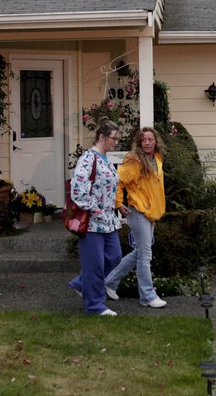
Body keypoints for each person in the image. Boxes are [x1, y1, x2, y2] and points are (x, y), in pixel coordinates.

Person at [104, 127, 167, 308]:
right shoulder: (135, 160)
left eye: (150, 139)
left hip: (151, 212)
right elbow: (118, 180)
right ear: (139, 143)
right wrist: (118, 203)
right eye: (144, 140)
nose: (147, 143)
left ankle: (109, 282)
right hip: (138, 211)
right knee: (145, 254)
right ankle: (147, 295)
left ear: (155, 141)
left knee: (139, 252)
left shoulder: (157, 158)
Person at [67, 119, 124, 316]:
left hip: (108, 221)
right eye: (114, 138)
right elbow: (78, 190)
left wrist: (116, 206)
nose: (116, 142)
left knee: (115, 256)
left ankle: (82, 283)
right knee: (95, 264)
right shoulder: (88, 159)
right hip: (91, 222)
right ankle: (94, 306)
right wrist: (95, 209)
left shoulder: (106, 159)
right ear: (102, 137)